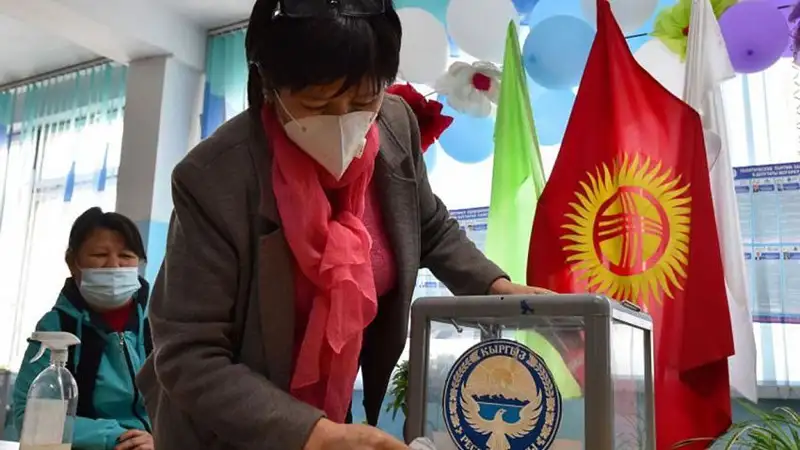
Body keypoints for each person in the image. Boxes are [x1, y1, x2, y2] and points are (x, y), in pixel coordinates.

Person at [136, 0, 550, 449]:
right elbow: (189, 354)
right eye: (317, 103)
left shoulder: (395, 126)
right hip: (226, 429)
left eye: (364, 100)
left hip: (328, 410)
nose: (343, 120)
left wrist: (495, 287)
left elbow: (427, 224)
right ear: (269, 87)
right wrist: (315, 434)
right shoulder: (215, 178)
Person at [13, 207, 154, 450]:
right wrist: (117, 438)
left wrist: (163, 437)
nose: (114, 265)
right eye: (100, 255)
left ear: (139, 263)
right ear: (72, 262)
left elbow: (191, 403)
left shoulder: (161, 323)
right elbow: (30, 416)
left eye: (126, 255)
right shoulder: (57, 327)